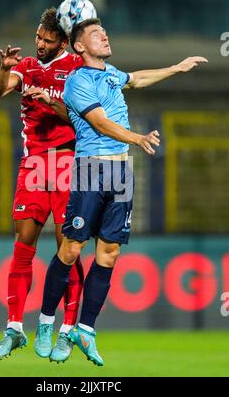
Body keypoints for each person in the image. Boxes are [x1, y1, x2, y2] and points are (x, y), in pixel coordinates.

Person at [34, 18, 208, 366]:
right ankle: (45, 322)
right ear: (80, 46)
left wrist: (176, 67)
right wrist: (137, 138)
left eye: (104, 31)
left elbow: (138, 78)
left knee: (110, 251)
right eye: (97, 34)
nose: (105, 35)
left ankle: (85, 329)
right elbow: (99, 122)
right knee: (71, 248)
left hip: (120, 171)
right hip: (91, 169)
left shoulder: (111, 74)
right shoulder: (77, 81)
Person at [0, 8, 84, 361]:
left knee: (67, 248)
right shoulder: (26, 66)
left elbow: (82, 115)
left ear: (62, 41)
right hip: (33, 166)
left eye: (47, 40)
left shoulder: (75, 68)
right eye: (38, 37)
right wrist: (3, 69)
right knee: (23, 244)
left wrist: (52, 101)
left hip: (67, 163)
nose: (40, 44)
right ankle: (14, 327)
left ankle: (68, 329)